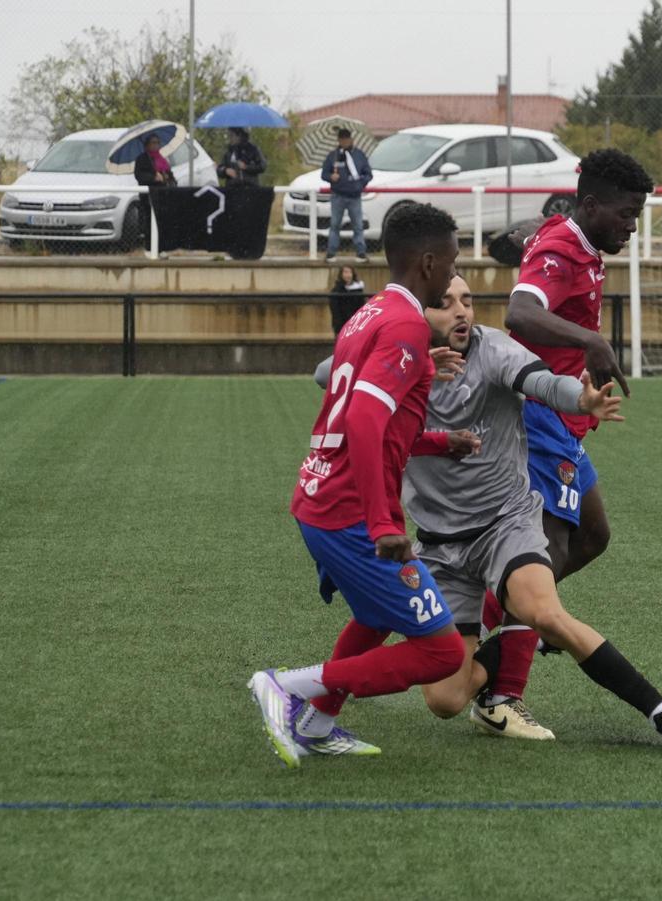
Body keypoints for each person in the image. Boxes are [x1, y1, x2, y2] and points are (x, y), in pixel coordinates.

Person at [403, 275, 662, 748]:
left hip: (505, 523)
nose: (462, 311)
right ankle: (510, 644)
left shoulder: (494, 350)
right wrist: (406, 361)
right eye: (445, 304)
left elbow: (542, 382)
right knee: (444, 699)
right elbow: (327, 373)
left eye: (468, 301)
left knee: (544, 611)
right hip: (440, 547)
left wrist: (581, 399)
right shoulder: (399, 361)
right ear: (417, 315)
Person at [248, 203, 475, 767]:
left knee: (375, 618)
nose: (453, 274)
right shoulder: (405, 324)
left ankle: (318, 722)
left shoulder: (369, 313)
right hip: (349, 513)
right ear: (427, 262)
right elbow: (364, 421)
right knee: (442, 652)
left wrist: (438, 439)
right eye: (450, 263)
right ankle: (286, 686)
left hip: (321, 496)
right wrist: (383, 521)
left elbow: (369, 416)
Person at [476, 149, 652, 720]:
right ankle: (502, 693)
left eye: (638, 214)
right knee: (545, 551)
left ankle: (505, 614)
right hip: (536, 416)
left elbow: (546, 234)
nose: (632, 225)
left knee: (594, 536)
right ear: (593, 205)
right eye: (627, 214)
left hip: (564, 419)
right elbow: (522, 314)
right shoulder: (561, 248)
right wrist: (590, 342)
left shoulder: (575, 237)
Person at [321, 128, 372, 263]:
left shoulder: (359, 155)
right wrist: (331, 177)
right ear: (338, 140)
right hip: (338, 195)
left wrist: (360, 184)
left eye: (347, 139)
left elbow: (368, 174)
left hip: (355, 196)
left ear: (351, 139)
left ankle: (360, 252)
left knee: (357, 225)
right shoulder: (333, 156)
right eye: (342, 139)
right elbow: (324, 174)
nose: (344, 142)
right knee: (335, 224)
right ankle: (331, 252)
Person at [133, 133, 175, 240]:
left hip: (162, 194)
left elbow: (170, 176)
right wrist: (153, 178)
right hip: (149, 196)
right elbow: (139, 175)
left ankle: (161, 245)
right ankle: (150, 245)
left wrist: (167, 177)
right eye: (153, 143)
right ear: (147, 145)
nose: (156, 145)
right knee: (150, 221)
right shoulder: (142, 159)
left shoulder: (162, 159)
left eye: (158, 143)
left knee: (162, 221)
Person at [328, 265, 367, 335]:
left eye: (350, 272)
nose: (348, 275)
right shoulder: (337, 290)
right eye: (345, 272)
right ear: (341, 274)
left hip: (355, 324)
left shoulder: (358, 289)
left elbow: (362, 307)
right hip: (341, 324)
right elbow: (334, 309)